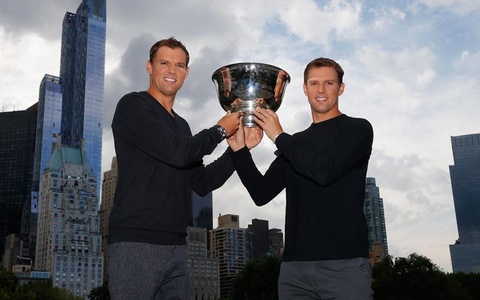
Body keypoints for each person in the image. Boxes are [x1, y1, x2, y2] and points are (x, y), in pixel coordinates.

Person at [227, 57, 374, 299]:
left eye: (329, 83)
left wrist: (279, 136)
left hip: (344, 266)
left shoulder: (358, 129)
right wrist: (239, 152)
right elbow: (261, 193)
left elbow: (324, 172)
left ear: (341, 88)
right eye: (314, 83)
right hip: (294, 272)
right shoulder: (296, 143)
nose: (321, 90)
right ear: (305, 89)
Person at [108, 37, 241, 300]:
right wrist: (219, 130)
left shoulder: (182, 126)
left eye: (179, 65)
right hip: (136, 243)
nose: (172, 70)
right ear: (149, 66)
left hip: (178, 246)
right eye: (164, 63)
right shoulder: (133, 105)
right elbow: (177, 153)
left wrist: (237, 151)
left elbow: (201, 182)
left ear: (186, 73)